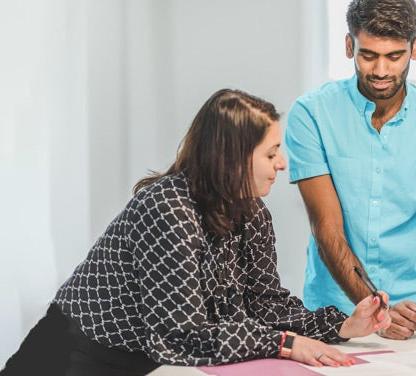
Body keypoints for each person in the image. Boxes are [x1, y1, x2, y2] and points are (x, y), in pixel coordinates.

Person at [1, 89, 390, 376]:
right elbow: (184, 334)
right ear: (233, 158)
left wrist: (340, 325)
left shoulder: (252, 212)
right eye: (271, 154)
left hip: (143, 360)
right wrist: (284, 344)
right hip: (75, 356)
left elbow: (265, 304)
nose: (282, 164)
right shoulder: (167, 208)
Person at [285, 0, 416, 341]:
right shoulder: (311, 115)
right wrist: (376, 313)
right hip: (334, 313)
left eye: (394, 56)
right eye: (368, 55)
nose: (382, 71)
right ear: (348, 46)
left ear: (415, 48)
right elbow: (327, 230)